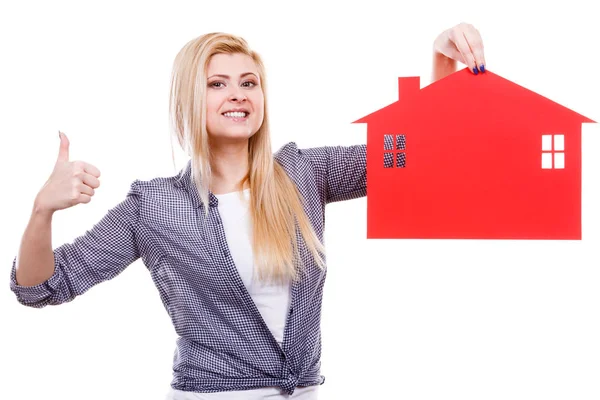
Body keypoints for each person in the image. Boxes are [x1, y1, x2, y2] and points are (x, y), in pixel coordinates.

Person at [10, 23, 486, 399]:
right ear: (190, 101)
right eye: (217, 83)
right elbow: (41, 288)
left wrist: (441, 63)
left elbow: (415, 158)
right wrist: (41, 211)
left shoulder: (304, 174)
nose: (237, 93)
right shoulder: (153, 208)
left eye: (249, 83)